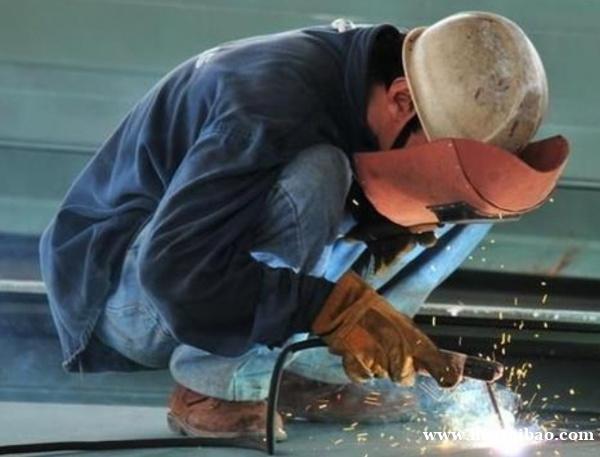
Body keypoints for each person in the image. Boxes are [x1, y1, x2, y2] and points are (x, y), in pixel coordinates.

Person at [39, 12, 568, 440]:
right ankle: (213, 384)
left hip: (195, 272)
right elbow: (175, 274)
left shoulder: (384, 81)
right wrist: (333, 309)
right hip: (127, 293)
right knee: (321, 172)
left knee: (468, 201)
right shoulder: (267, 105)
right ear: (401, 99)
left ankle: (299, 371)